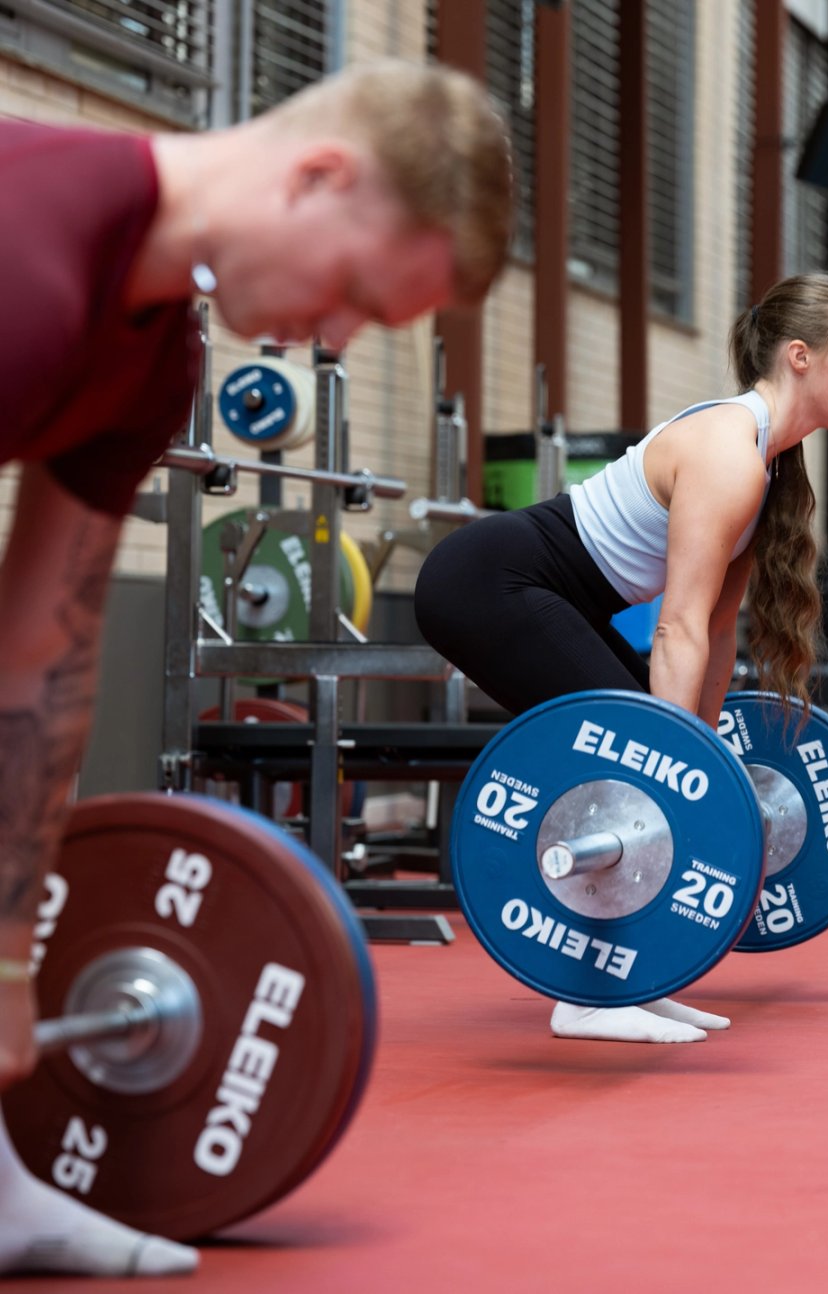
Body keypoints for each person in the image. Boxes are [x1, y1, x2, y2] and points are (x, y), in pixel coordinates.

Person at [0, 61, 513, 1277]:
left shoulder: (152, 359)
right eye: (349, 293)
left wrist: (11, 952)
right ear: (317, 177)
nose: (330, 336)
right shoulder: (32, 261)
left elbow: (43, 646)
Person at [414, 272, 828, 1045]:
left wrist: (705, 772)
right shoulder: (728, 452)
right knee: (628, 759)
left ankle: (631, 975)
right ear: (800, 357)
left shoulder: (763, 468)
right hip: (484, 584)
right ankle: (583, 995)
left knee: (644, 753)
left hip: (537, 595)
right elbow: (677, 631)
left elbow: (720, 635)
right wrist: (676, 778)